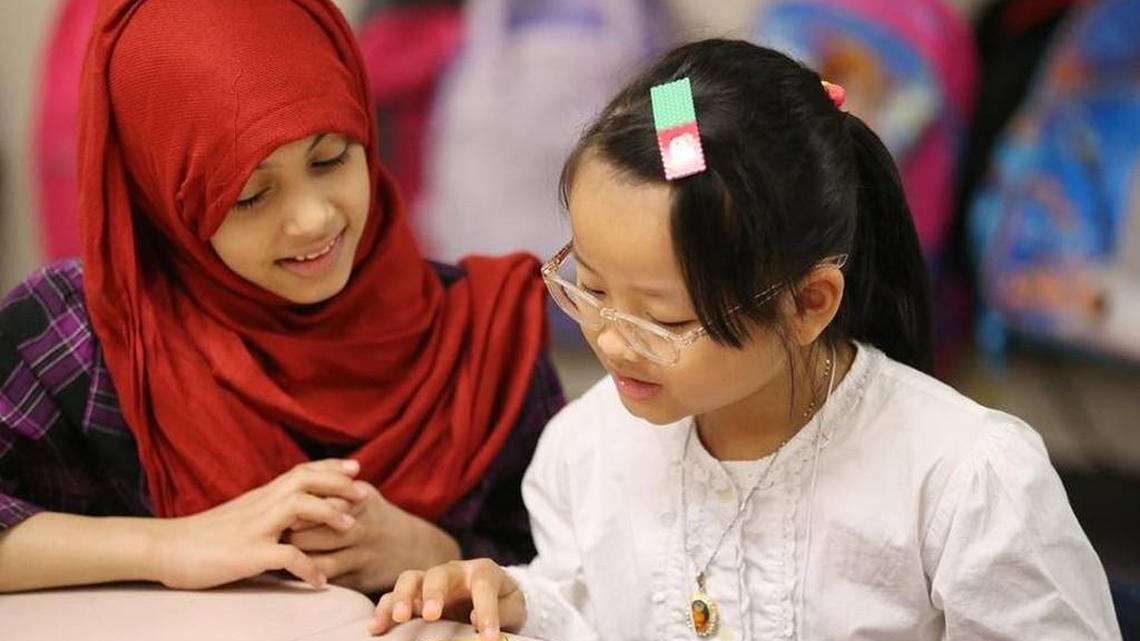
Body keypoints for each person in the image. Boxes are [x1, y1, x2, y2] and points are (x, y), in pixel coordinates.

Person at [370, 40, 1121, 640]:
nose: (610, 339)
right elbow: (586, 610)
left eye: (664, 320)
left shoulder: (964, 480)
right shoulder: (585, 450)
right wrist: (511, 602)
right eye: (591, 288)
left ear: (807, 303)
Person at [0, 0, 562, 594]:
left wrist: (435, 550)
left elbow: (597, 579)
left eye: (331, 158)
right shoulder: (84, 338)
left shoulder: (486, 333)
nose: (314, 219)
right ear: (165, 198)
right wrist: (169, 546)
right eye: (249, 196)